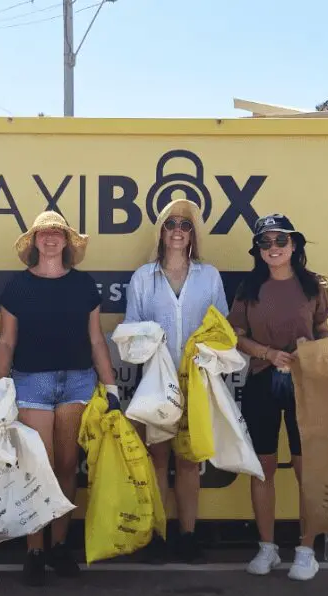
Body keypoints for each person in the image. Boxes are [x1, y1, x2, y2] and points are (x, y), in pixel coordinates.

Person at [0, 210, 120, 586]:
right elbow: (5, 341)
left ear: (67, 242)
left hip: (78, 383)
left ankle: (59, 546)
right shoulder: (16, 287)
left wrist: (110, 387)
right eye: (43, 234)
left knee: (67, 465)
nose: (50, 239)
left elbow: (97, 339)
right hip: (31, 384)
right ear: (34, 242)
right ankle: (34, 549)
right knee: (37, 468)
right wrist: (0, 390)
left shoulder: (84, 286)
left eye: (57, 233)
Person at [227, 213, 328, 582]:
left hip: (307, 386)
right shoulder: (248, 288)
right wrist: (266, 353)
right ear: (258, 250)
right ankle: (267, 547)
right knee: (263, 467)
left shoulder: (314, 286)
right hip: (262, 382)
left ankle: (306, 549)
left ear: (294, 245)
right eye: (265, 243)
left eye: (280, 241)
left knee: (307, 469)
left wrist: (313, 347)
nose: (273, 248)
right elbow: (235, 336)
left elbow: (323, 331)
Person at [122, 198, 228, 562]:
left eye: (185, 225)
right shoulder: (142, 278)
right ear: (161, 232)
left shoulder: (209, 276)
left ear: (193, 234)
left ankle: (187, 534)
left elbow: (221, 329)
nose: (178, 231)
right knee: (156, 460)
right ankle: (156, 533)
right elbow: (129, 334)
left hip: (195, 382)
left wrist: (206, 354)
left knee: (187, 461)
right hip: (153, 382)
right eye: (171, 224)